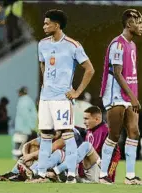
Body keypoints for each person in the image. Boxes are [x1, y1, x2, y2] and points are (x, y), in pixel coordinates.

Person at [33, 9, 95, 184]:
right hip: (46, 98)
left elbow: (90, 69)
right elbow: (42, 64)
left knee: (67, 135)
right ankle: (41, 174)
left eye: (47, 23)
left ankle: (71, 175)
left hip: (62, 98)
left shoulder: (73, 45)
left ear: (56, 25)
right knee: (45, 134)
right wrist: (46, 85)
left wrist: (77, 92)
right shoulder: (42, 44)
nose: (44, 26)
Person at [99, 9, 142, 185]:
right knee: (114, 134)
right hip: (116, 95)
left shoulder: (132, 45)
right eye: (139, 23)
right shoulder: (117, 45)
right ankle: (103, 174)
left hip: (129, 96)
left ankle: (130, 176)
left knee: (134, 132)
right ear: (129, 24)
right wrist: (132, 97)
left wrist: (133, 97)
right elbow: (118, 74)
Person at [51, 106, 121, 183]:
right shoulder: (91, 130)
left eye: (86, 119)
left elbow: (115, 154)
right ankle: (40, 172)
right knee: (60, 153)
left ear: (97, 119)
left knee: (85, 146)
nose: (84, 122)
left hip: (101, 173)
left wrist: (109, 176)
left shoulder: (104, 131)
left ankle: (58, 171)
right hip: (90, 170)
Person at [12, 86, 38, 159]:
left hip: (24, 128)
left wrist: (31, 127)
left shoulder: (24, 101)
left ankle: (18, 161)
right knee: (22, 146)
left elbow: (26, 115)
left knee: (20, 146)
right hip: (25, 128)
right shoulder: (27, 100)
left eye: (19, 92)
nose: (18, 94)